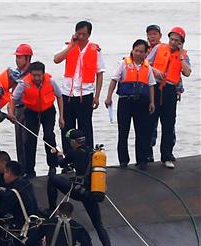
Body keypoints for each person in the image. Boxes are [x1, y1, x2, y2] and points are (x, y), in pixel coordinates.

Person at [47, 129, 120, 246]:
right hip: (92, 193)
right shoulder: (93, 153)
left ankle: (51, 208)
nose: (70, 143)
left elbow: (61, 164)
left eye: (71, 141)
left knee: (52, 179)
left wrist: (58, 154)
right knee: (98, 224)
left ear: (74, 142)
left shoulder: (73, 153)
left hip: (78, 191)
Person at [54, 20, 105, 154]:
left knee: (85, 127)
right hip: (68, 94)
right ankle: (68, 160)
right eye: (79, 34)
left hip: (86, 95)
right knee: (67, 128)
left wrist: (97, 96)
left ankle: (87, 157)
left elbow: (100, 74)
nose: (81, 37)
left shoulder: (96, 50)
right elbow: (56, 59)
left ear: (89, 35)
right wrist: (71, 45)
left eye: (84, 34)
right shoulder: (69, 46)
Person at [104, 39, 156, 170]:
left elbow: (151, 85)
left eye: (141, 51)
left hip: (142, 103)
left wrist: (152, 102)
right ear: (132, 50)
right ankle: (123, 161)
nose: (138, 53)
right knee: (123, 132)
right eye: (136, 50)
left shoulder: (147, 66)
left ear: (146, 53)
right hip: (125, 101)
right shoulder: (123, 64)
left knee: (142, 133)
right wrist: (108, 97)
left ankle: (141, 160)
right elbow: (114, 81)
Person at [147, 26, 192, 169]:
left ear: (181, 42)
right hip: (156, 87)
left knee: (168, 124)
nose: (173, 42)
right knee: (150, 122)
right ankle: (147, 156)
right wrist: (155, 71)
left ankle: (166, 156)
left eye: (176, 41)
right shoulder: (158, 48)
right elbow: (146, 63)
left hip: (170, 90)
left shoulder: (183, 54)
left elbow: (187, 72)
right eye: (171, 39)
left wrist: (180, 56)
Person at [9, 61, 63, 178]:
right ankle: (30, 170)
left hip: (48, 110)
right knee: (30, 140)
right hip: (31, 111)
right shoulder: (24, 83)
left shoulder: (51, 81)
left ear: (43, 74)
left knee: (49, 136)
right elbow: (13, 99)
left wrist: (61, 117)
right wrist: (11, 113)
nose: (36, 78)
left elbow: (59, 96)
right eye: (34, 75)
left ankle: (52, 166)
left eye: (39, 75)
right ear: (30, 74)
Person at [25, 202, 92, 246]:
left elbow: (30, 242)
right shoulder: (78, 227)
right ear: (72, 213)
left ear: (58, 211)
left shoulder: (47, 224)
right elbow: (87, 245)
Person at [8, 43, 34, 170]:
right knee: (19, 141)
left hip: (28, 109)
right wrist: (10, 110)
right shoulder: (15, 73)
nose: (17, 60)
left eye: (20, 57)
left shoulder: (32, 73)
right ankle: (22, 169)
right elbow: (10, 93)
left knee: (27, 140)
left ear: (28, 58)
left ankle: (29, 169)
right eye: (17, 57)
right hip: (17, 108)